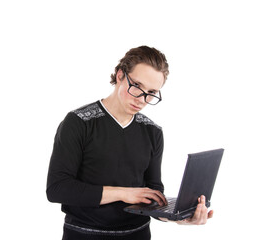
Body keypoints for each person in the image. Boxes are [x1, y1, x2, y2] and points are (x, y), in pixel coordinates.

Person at [46, 46, 213, 240]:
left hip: (138, 235)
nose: (142, 99)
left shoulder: (153, 131)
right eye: (136, 86)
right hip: (85, 234)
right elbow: (57, 189)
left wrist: (177, 218)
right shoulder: (79, 122)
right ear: (119, 75)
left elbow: (153, 193)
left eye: (151, 92)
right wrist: (123, 193)